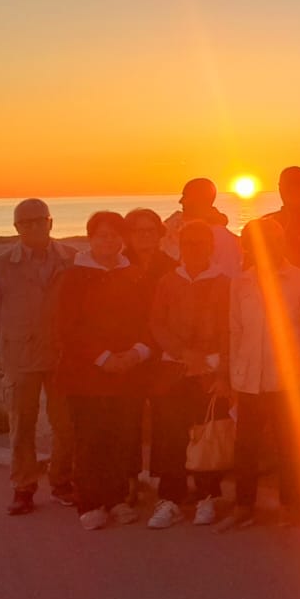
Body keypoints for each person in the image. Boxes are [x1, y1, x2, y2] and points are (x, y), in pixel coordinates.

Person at [220, 219, 300, 530]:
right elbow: (235, 330)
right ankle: (243, 506)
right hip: (249, 379)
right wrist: (234, 375)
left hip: (290, 378)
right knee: (245, 447)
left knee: (290, 445)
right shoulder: (240, 283)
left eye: (271, 241)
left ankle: (290, 506)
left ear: (281, 244)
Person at [54, 212, 154, 531]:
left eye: (114, 235)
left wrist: (138, 352)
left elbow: (149, 318)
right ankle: (90, 502)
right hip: (87, 375)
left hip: (127, 370)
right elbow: (68, 327)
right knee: (90, 440)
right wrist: (103, 358)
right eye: (102, 236)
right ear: (91, 239)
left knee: (121, 437)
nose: (109, 241)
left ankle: (117, 498)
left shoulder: (133, 274)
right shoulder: (74, 277)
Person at [0, 198, 77, 514]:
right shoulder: (2, 265)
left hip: (61, 354)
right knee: (22, 425)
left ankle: (62, 481)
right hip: (20, 357)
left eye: (40, 220)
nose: (34, 227)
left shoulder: (71, 259)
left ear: (51, 223)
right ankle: (23, 487)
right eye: (26, 223)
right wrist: (18, 336)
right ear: (16, 227)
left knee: (66, 423)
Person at [148, 220, 231, 527]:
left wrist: (222, 372)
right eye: (188, 244)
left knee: (207, 434)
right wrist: (184, 354)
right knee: (171, 436)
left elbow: (230, 329)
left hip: (210, 370)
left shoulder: (224, 283)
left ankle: (207, 496)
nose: (193, 249)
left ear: (210, 247)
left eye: (199, 243)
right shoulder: (168, 281)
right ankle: (170, 498)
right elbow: (157, 323)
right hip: (175, 370)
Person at [122, 207, 177, 504]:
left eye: (150, 230)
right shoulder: (117, 266)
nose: (144, 236)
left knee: (165, 421)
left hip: (161, 353)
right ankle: (128, 480)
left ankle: (162, 484)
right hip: (127, 354)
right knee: (127, 420)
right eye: (137, 231)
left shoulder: (171, 267)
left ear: (159, 234)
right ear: (128, 235)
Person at [163, 178, 242, 277]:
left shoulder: (221, 236)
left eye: (185, 196)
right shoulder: (174, 222)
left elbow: (229, 275)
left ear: (200, 200)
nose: (180, 201)